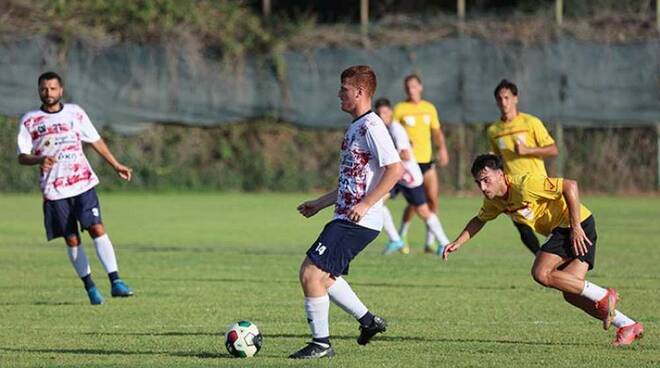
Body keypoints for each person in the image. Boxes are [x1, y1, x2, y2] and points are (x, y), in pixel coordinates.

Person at [442, 154, 644, 346]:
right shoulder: (494, 201)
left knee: (541, 272)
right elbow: (480, 220)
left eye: (486, 180)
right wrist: (458, 242)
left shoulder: (525, 184)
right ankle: (627, 325)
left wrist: (575, 227)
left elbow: (570, 185)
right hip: (572, 228)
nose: (483, 187)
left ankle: (603, 295)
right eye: (478, 183)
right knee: (572, 293)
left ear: (501, 174)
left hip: (574, 225)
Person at [289, 66, 403, 359]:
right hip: (347, 216)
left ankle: (321, 344)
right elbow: (353, 180)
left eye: (344, 89)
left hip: (359, 220)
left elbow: (395, 169)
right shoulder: (356, 126)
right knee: (325, 279)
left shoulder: (372, 127)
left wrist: (366, 205)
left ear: (360, 92)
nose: (339, 94)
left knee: (310, 273)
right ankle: (368, 321)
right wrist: (320, 203)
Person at [16, 72, 134, 305]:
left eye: (52, 88)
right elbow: (22, 156)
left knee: (97, 228)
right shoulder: (30, 120)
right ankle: (90, 286)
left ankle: (116, 281)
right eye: (43, 89)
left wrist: (115, 165)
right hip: (54, 190)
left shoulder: (75, 113)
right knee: (71, 239)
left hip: (82, 182)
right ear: (39, 90)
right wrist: (39, 160)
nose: (48, 93)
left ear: (61, 90)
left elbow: (96, 140)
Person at [487, 79, 558, 255]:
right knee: (524, 230)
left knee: (550, 228)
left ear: (515, 98)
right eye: (500, 99)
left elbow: (553, 149)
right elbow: (498, 159)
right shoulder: (494, 130)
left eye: (507, 97)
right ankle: (542, 260)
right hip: (513, 188)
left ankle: (559, 263)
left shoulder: (530, 123)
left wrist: (528, 150)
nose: (503, 102)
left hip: (537, 186)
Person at [374, 98, 450, 255]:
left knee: (423, 211)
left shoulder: (396, 129)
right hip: (395, 175)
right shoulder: (383, 130)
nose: (383, 116)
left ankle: (445, 244)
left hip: (409, 177)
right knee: (376, 202)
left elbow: (406, 154)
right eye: (379, 113)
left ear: (391, 113)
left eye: (385, 112)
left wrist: (387, 155)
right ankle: (395, 239)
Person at [393, 74, 449, 253]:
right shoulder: (400, 109)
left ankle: (430, 242)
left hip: (426, 162)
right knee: (415, 203)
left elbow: (437, 131)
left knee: (433, 200)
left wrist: (442, 149)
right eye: (408, 87)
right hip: (410, 164)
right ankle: (402, 235)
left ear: (420, 87)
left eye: (414, 86)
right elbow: (392, 132)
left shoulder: (429, 108)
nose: (411, 89)